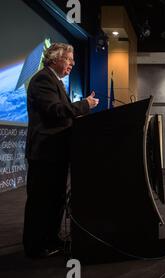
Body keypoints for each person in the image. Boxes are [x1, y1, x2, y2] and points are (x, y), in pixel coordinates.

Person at [23, 43, 99, 258]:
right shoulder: (43, 79)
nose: (72, 64)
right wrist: (84, 105)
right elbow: (55, 111)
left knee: (55, 200)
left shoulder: (55, 81)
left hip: (56, 152)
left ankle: (51, 239)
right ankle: (35, 247)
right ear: (55, 59)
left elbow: (62, 114)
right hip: (45, 153)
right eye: (69, 59)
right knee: (41, 201)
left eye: (73, 60)